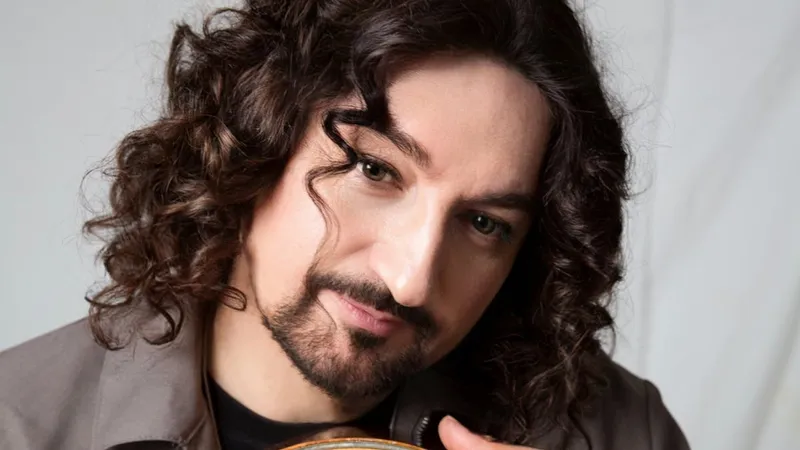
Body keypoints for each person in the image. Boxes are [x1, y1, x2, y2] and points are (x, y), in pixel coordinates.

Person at [0, 1, 691, 449]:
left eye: (483, 222)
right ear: (254, 138)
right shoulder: (20, 425)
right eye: (375, 170)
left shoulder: (620, 432)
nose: (411, 280)